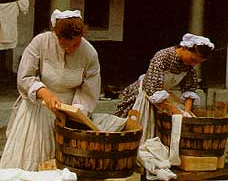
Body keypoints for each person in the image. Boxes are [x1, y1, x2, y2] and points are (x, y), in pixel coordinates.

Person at [0, 9, 101, 171]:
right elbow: (25, 77)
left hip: (67, 113)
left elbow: (89, 91)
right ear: (56, 36)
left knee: (60, 163)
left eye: (75, 44)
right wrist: (43, 92)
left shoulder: (89, 54)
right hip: (37, 108)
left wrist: (74, 113)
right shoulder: (41, 43)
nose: (70, 49)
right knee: (28, 161)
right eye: (65, 45)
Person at [115, 33, 214, 141]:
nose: (194, 64)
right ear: (185, 48)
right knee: (139, 133)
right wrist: (178, 113)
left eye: (197, 62)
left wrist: (186, 111)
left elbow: (190, 89)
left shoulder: (188, 66)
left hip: (162, 97)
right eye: (193, 60)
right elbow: (152, 90)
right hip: (145, 95)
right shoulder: (163, 56)